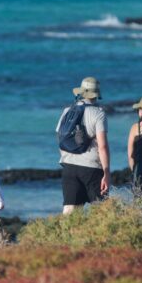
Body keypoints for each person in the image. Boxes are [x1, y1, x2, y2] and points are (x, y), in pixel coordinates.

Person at [56, 77, 111, 215]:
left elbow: (60, 137)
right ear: (96, 94)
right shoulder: (99, 113)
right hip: (92, 168)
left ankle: (65, 236)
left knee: (70, 212)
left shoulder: (67, 110)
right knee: (101, 212)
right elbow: (102, 146)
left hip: (69, 166)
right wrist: (107, 173)